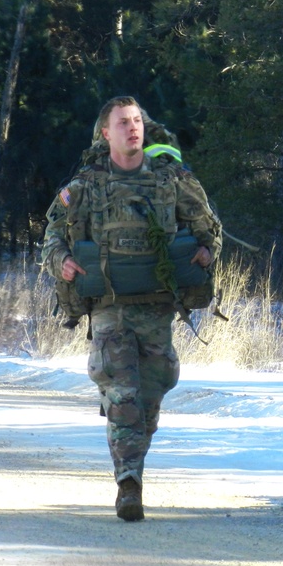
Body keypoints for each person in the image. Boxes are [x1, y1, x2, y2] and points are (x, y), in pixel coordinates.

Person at [42, 96, 222, 522]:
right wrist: (62, 263)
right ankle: (129, 483)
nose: (133, 128)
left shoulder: (171, 181)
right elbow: (52, 236)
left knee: (152, 395)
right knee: (123, 391)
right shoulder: (85, 186)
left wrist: (206, 253)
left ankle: (132, 457)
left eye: (137, 121)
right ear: (106, 133)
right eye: (123, 122)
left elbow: (209, 229)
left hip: (157, 306)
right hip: (110, 307)